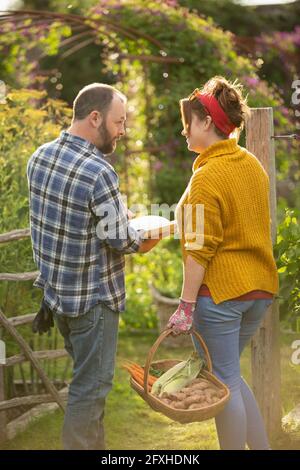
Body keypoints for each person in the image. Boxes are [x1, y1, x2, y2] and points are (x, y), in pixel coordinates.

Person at [27, 83, 160, 450]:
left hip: (57, 300)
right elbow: (123, 240)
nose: (122, 130)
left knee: (87, 385)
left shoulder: (40, 157)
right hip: (92, 304)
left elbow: (69, 220)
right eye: (119, 122)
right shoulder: (98, 171)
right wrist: (150, 234)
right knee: (90, 389)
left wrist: (117, 217)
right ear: (95, 117)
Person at [167, 76, 279, 450]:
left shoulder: (207, 176)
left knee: (223, 382)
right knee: (229, 374)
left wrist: (185, 306)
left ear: (207, 124)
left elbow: (199, 250)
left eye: (189, 123)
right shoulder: (250, 164)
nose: (183, 131)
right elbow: (231, 224)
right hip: (258, 290)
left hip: (221, 295)